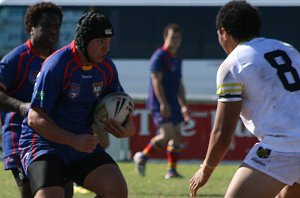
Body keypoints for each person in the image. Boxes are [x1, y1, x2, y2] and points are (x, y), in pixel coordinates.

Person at [189, 1, 300, 198]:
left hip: (279, 149)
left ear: (223, 32)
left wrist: (205, 170)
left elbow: (223, 133)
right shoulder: (287, 48)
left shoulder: (233, 63)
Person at [19, 11, 135, 198]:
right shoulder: (57, 64)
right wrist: (72, 140)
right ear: (84, 40)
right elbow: (34, 118)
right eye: (100, 42)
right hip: (44, 144)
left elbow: (120, 104)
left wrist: (127, 127)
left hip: (82, 146)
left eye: (109, 42)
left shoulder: (106, 67)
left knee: (117, 190)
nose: (106, 49)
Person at [0, 2, 73, 198]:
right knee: (32, 193)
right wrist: (21, 106)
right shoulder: (15, 59)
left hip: (53, 139)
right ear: (30, 27)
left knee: (65, 193)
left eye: (56, 26)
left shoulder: (60, 60)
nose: (53, 31)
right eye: (46, 25)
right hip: (19, 138)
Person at [133, 23, 190, 179]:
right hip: (160, 103)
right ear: (166, 37)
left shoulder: (177, 58)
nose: (176, 41)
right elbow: (156, 81)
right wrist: (163, 103)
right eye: (173, 37)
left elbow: (179, 83)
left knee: (177, 135)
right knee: (166, 135)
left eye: (178, 38)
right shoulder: (159, 56)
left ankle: (171, 171)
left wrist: (184, 105)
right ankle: (142, 157)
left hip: (173, 102)